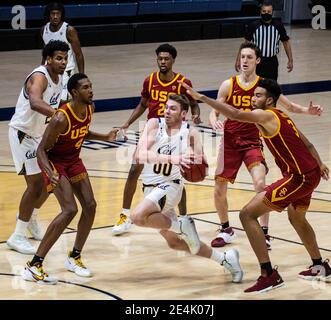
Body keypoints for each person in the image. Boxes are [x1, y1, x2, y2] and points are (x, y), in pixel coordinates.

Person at [183, 79, 331, 293]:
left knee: (247, 214)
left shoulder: (267, 115)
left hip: (299, 177)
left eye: (259, 95)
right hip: (310, 174)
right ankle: (320, 266)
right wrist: (320, 164)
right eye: (254, 95)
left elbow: (235, 114)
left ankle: (269, 275)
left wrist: (203, 99)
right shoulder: (282, 116)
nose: (254, 99)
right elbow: (307, 142)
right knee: (296, 218)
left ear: (270, 100)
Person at [209, 42, 322, 250]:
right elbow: (217, 107)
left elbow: (289, 106)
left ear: (257, 61)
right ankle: (225, 228)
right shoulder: (228, 84)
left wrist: (308, 111)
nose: (245, 61)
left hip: (252, 141)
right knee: (219, 186)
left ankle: (265, 233)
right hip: (230, 141)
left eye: (249, 57)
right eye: (242, 57)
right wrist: (212, 118)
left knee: (260, 184)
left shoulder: (264, 86)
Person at [130, 94, 243, 283]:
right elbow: (139, 155)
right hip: (150, 189)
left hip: (170, 187)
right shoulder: (154, 125)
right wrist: (173, 158)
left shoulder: (190, 132)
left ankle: (181, 224)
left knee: (137, 217)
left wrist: (195, 162)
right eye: (166, 107)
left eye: (172, 108)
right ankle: (226, 259)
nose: (167, 111)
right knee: (175, 243)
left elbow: (201, 165)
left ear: (183, 114)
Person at [21, 73, 119, 284]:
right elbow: (41, 150)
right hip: (54, 161)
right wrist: (50, 173)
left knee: (91, 205)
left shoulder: (90, 108)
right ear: (74, 92)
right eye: (86, 87)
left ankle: (74, 257)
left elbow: (82, 132)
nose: (91, 90)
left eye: (91, 86)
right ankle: (34, 265)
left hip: (73, 160)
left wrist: (105, 137)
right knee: (70, 210)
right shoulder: (60, 118)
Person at [112, 43, 201, 236]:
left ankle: (184, 219)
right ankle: (125, 215)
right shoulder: (150, 80)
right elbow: (143, 104)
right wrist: (127, 123)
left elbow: (194, 104)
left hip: (175, 131)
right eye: (160, 58)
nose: (163, 62)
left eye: (166, 59)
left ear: (173, 60)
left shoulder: (182, 82)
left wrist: (195, 116)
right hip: (154, 130)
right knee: (135, 168)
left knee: (178, 175)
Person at [7, 40, 69, 255]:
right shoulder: (39, 76)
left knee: (49, 182)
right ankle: (17, 235)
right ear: (48, 59)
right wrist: (58, 115)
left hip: (38, 135)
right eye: (58, 58)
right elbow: (35, 101)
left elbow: (58, 104)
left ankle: (31, 219)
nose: (62, 62)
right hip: (22, 134)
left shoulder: (60, 78)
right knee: (34, 185)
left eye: (65, 58)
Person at [235, 1, 293, 80]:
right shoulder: (254, 25)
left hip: (272, 62)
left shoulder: (278, 26)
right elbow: (245, 45)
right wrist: (238, 60)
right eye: (264, 11)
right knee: (257, 87)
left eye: (269, 12)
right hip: (257, 61)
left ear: (272, 13)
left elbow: (286, 43)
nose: (266, 13)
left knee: (271, 87)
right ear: (260, 12)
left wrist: (290, 60)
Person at [41, 2, 85, 101]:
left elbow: (78, 54)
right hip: (50, 71)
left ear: (62, 15)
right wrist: (41, 69)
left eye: (58, 14)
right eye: (53, 14)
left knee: (63, 99)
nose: (55, 16)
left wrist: (81, 76)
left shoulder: (69, 30)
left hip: (66, 71)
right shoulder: (44, 29)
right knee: (48, 98)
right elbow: (45, 54)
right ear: (49, 15)